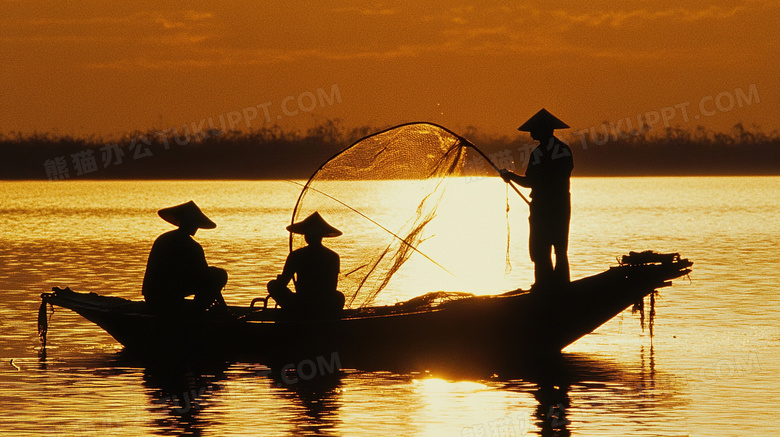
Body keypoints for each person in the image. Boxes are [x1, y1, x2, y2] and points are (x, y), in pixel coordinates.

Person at [500, 108, 574, 287]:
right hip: (555, 206)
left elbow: (531, 182)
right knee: (555, 249)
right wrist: (512, 177)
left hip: (547, 207)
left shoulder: (542, 153)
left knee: (543, 250)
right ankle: (553, 285)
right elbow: (534, 181)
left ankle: (549, 286)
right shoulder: (559, 150)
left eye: (535, 129)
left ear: (544, 129)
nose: (531, 133)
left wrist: (511, 176)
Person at [142, 201, 228, 314]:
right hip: (164, 296)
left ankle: (194, 310)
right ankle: (196, 312)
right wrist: (225, 309)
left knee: (213, 275)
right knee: (219, 275)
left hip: (153, 296)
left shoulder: (163, 238)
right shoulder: (192, 246)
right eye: (193, 223)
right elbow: (206, 278)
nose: (195, 227)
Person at [267, 212, 345, 315]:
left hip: (302, 303)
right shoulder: (333, 256)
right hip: (324, 303)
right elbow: (333, 286)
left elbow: (283, 283)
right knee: (338, 296)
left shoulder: (296, 255)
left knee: (273, 285)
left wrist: (280, 280)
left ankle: (296, 313)